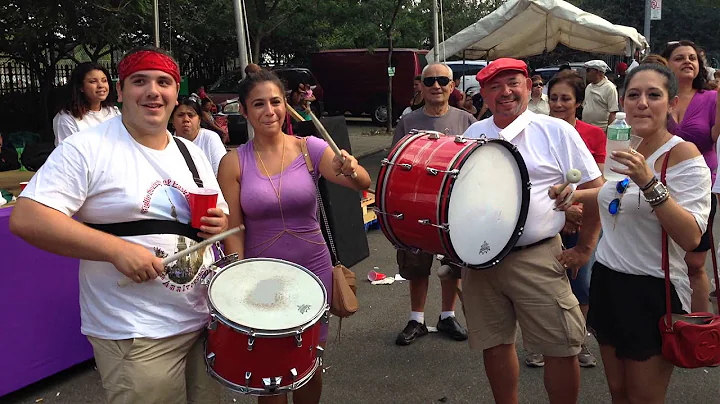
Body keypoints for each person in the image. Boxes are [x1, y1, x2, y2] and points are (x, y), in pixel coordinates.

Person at [9, 46, 227, 404]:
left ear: (175, 92)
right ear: (121, 91)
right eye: (140, 81)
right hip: (136, 331)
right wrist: (116, 249)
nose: (153, 91)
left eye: (163, 82)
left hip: (201, 320)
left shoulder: (191, 152)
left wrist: (220, 220)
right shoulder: (87, 148)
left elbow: (218, 211)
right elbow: (29, 217)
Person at [217, 69, 371, 404]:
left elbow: (361, 183)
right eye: (258, 104)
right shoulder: (233, 163)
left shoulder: (309, 148)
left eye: (275, 101)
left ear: (286, 105)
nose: (269, 110)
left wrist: (352, 168)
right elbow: (233, 228)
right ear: (243, 111)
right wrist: (239, 282)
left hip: (312, 271)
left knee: (307, 366)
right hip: (262, 279)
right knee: (269, 373)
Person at [461, 58, 604, 404]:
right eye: (494, 86)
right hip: (480, 258)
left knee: (561, 347)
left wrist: (586, 248)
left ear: (528, 85)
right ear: (483, 93)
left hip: (538, 255)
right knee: (494, 344)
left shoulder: (556, 130)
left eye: (512, 83)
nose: (505, 92)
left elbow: (598, 188)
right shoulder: (471, 135)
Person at [568, 63, 711, 404]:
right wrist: (571, 193)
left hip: (653, 290)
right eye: (633, 95)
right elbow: (614, 194)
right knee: (618, 393)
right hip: (608, 281)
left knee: (643, 397)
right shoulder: (624, 147)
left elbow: (691, 236)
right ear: (622, 102)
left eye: (653, 95)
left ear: (672, 103)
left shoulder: (683, 156)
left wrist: (649, 182)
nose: (642, 103)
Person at [522, 70, 606, 369]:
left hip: (583, 220)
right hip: (548, 221)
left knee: (580, 284)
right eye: (553, 98)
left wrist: (575, 212)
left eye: (565, 99)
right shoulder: (535, 131)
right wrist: (562, 212)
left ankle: (578, 340)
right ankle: (537, 344)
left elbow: (597, 184)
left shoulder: (593, 134)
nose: (558, 104)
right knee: (542, 285)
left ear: (578, 103)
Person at [391, 63, 476, 346]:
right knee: (416, 264)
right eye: (430, 81)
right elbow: (395, 165)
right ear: (421, 87)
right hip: (417, 207)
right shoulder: (407, 122)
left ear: (452, 87)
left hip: (456, 208)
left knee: (453, 265)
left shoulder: (467, 121)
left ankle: (447, 315)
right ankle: (417, 319)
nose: (436, 86)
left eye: (443, 80)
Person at [661, 40, 720, 312]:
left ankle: (699, 328)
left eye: (693, 58)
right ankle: (667, 319)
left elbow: (713, 138)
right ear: (667, 64)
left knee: (695, 264)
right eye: (679, 57)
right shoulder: (658, 96)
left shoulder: (712, 98)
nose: (688, 61)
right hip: (659, 185)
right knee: (661, 257)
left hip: (699, 187)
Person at [53, 62, 120, 146]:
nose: (101, 85)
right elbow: (69, 154)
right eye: (93, 81)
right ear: (80, 87)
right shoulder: (66, 118)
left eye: (104, 81)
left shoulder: (113, 112)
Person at [172, 96, 227, 176]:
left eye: (191, 115)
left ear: (199, 120)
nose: (186, 120)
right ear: (172, 121)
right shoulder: (166, 143)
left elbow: (222, 173)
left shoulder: (210, 138)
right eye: (180, 115)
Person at [582, 60, 620, 132]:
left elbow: (613, 112)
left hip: (601, 130)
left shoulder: (610, 88)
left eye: (588, 71)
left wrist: (609, 133)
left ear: (597, 72)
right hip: (586, 128)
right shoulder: (589, 87)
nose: (586, 74)